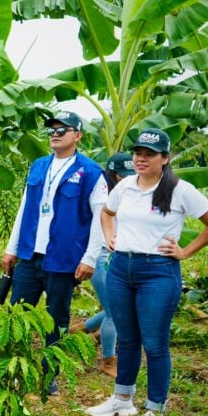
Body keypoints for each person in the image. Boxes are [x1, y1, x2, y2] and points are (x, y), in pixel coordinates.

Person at [86, 129, 208, 416]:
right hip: (122, 267)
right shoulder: (125, 189)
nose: (141, 159)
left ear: (165, 158)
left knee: (155, 343)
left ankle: (155, 412)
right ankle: (122, 400)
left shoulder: (180, 190)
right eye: (138, 153)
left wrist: (185, 251)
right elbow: (107, 214)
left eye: (150, 154)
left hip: (158, 272)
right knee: (128, 339)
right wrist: (109, 236)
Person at [2, 111, 107, 394]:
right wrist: (12, 248)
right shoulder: (38, 166)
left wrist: (89, 257)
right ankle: (14, 370)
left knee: (57, 319)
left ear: (78, 136)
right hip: (29, 254)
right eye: (52, 129)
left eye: (63, 129)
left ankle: (50, 375)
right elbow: (25, 208)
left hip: (63, 258)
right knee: (17, 315)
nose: (56, 134)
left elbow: (101, 217)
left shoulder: (90, 172)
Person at [72, 152, 134, 377]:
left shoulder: (129, 194)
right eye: (122, 175)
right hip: (99, 257)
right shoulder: (102, 195)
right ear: (113, 174)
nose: (127, 179)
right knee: (116, 311)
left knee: (118, 307)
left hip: (114, 257)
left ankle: (80, 329)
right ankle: (109, 360)